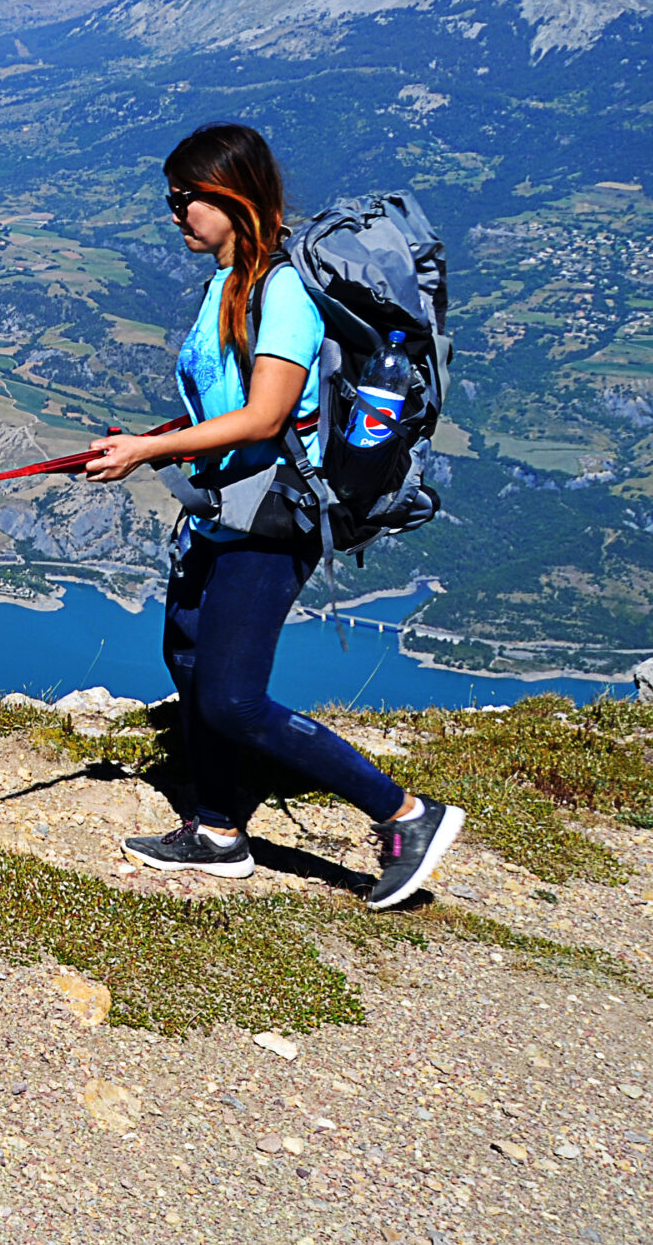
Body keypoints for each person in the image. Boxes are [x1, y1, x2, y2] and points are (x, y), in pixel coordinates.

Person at [83, 122, 462, 910]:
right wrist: (156, 441)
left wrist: (152, 453)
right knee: (187, 655)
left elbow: (265, 416)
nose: (176, 212)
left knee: (234, 698)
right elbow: (226, 405)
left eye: (185, 198)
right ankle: (218, 831)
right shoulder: (229, 281)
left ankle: (406, 815)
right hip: (226, 510)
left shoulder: (281, 288)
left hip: (272, 521)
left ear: (228, 196)